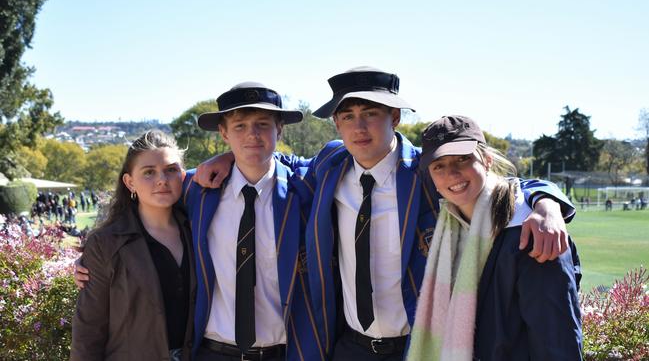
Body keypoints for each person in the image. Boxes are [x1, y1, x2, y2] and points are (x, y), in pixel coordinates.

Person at [195, 67, 575, 361]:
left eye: (371, 113)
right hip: (349, 346)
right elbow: (269, 161)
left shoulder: (428, 172)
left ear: (394, 117)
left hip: (417, 344)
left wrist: (548, 204)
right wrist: (230, 154)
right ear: (336, 124)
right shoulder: (328, 167)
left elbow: (497, 185)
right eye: (348, 115)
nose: (359, 127)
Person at [75, 83, 324, 361]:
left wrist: (233, 155)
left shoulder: (307, 188)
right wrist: (94, 262)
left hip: (285, 352)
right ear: (223, 132)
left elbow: (343, 153)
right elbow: (147, 205)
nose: (252, 135)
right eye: (239, 126)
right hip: (212, 353)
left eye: (262, 124)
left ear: (279, 129)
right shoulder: (198, 190)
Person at [407, 116, 582, 360]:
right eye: (439, 166)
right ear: (431, 176)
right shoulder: (449, 227)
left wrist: (547, 202)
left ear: (487, 160)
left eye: (463, 159)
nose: (452, 173)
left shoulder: (532, 230)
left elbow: (557, 340)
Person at [71, 130, 196, 361]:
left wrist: (225, 157)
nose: (162, 179)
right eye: (149, 172)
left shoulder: (199, 230)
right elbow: (89, 329)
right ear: (130, 182)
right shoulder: (105, 244)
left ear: (183, 175)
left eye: (171, 170)